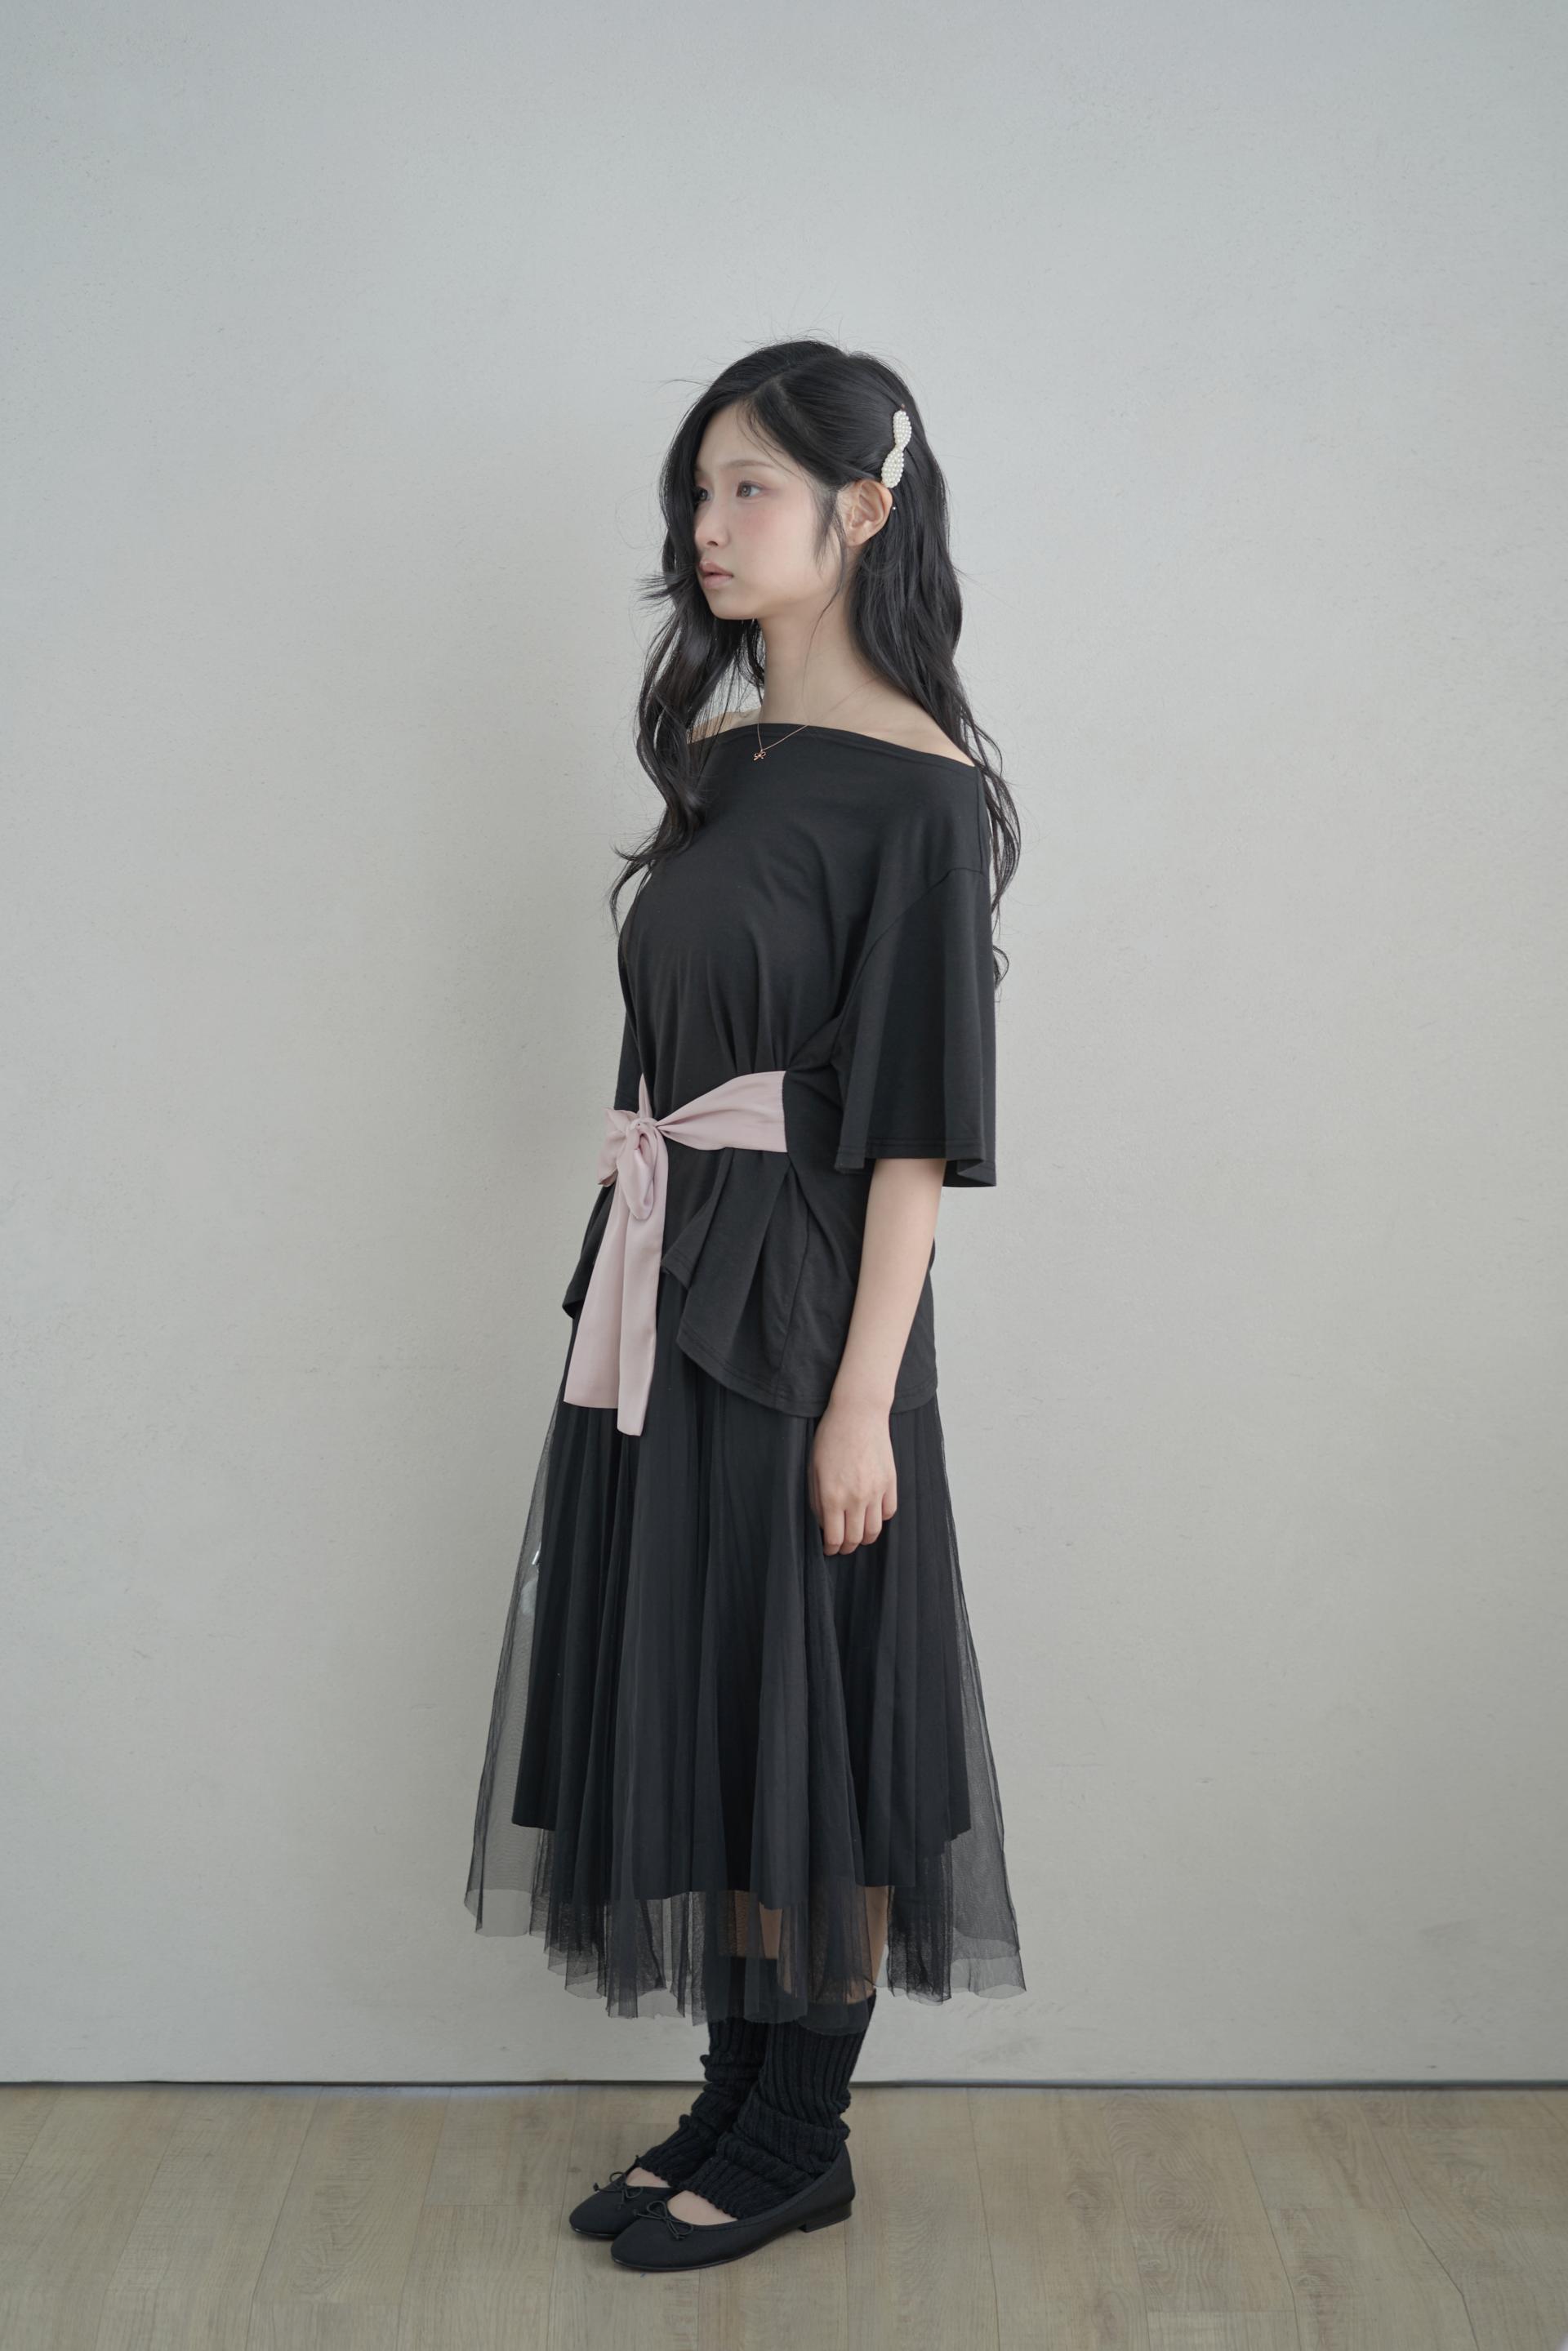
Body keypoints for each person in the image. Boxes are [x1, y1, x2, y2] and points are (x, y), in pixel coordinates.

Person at [465, 339, 1027, 2272]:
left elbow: (909, 1136)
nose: (706, 526)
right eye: (697, 491)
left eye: (749, 489)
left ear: (862, 509)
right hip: (666, 1276)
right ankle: (733, 2097)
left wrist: (864, 1402)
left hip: (801, 1315)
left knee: (816, 1717)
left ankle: (799, 2134)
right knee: (713, 1696)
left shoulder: (919, 797)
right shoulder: (724, 763)